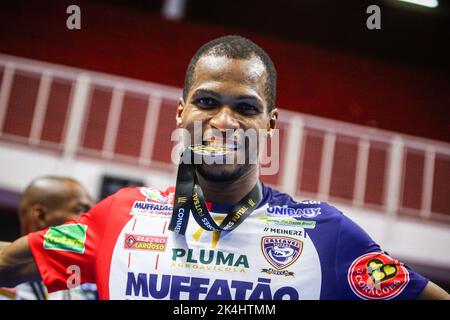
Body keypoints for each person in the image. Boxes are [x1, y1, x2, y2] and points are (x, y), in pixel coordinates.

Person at [0, 36, 448, 300]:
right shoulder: (117, 217)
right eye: (207, 102)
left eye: (246, 108)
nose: (224, 122)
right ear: (181, 113)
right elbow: (11, 261)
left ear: (269, 123)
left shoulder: (326, 234)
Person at [0, 176, 98, 300]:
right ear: (41, 216)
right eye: (80, 210)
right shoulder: (6, 267)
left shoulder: (85, 284)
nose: (88, 223)